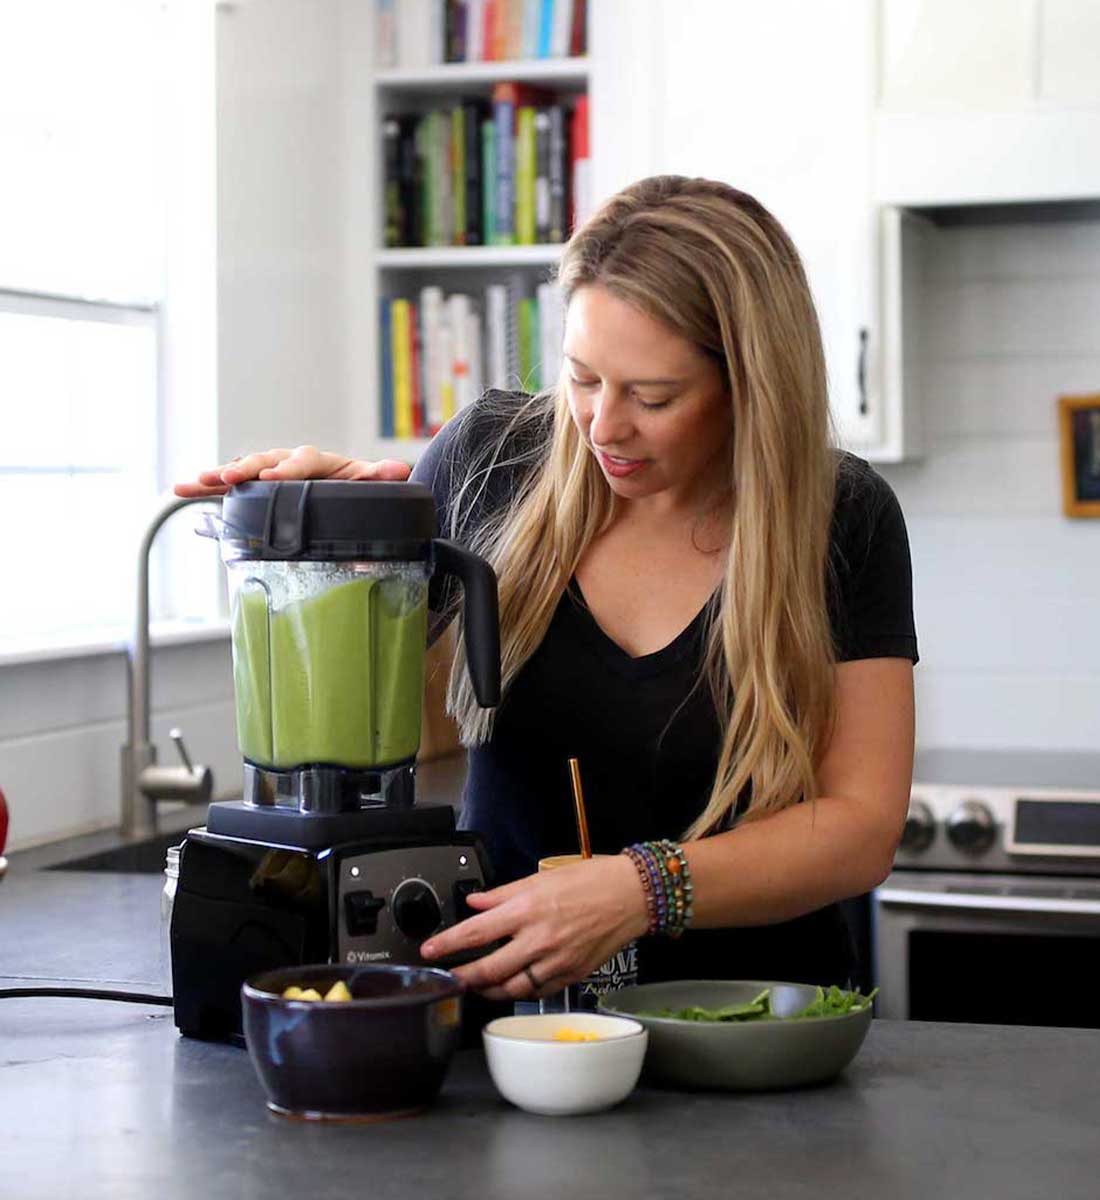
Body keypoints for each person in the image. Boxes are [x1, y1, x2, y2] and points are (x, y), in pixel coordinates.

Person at [178, 175, 917, 1013]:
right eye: (582, 378)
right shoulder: (492, 458)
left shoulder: (842, 516)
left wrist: (640, 891)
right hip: (508, 1031)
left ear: (751, 385)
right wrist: (335, 537)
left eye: (654, 396)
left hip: (751, 1030)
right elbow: (350, 693)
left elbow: (860, 828)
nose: (604, 426)